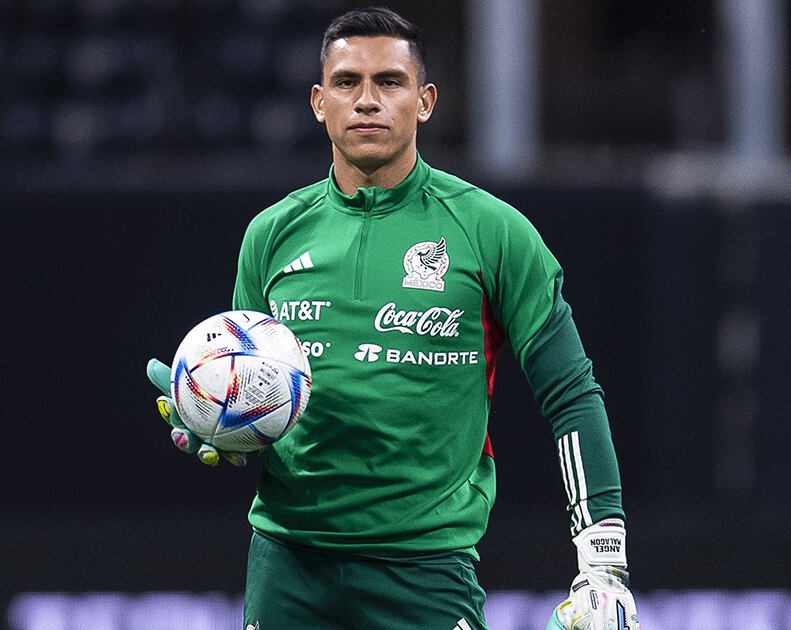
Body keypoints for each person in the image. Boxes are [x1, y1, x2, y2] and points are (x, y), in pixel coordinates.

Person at [146, 7, 639, 630]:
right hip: (289, 566)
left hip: (426, 571)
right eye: (348, 83)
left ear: (425, 101)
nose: (367, 101)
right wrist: (217, 421)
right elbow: (258, 405)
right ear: (319, 103)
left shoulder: (493, 232)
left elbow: (572, 394)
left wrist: (602, 562)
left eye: (390, 82)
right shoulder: (269, 236)